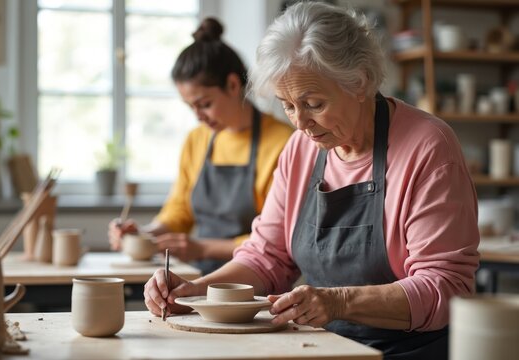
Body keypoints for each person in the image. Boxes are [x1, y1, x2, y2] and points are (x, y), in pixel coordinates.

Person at [143, 3, 480, 359]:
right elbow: (266, 257)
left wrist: (340, 302)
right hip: (324, 346)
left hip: (406, 350)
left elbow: (446, 288)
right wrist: (196, 292)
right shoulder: (300, 150)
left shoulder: (428, 147)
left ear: (360, 81)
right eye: (287, 105)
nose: (300, 123)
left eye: (314, 103)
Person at [108, 18, 294, 275]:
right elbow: (180, 210)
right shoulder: (198, 140)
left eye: (204, 104)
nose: (198, 116)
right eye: (190, 107)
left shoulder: (283, 143)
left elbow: (278, 237)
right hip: (197, 276)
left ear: (232, 84)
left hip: (255, 281)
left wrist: (202, 247)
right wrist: (146, 233)